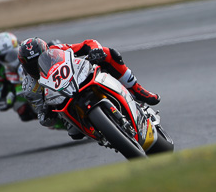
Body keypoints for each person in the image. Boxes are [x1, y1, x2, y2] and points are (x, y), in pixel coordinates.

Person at [17, 37, 160, 138]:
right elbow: (43, 117)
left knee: (109, 53)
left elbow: (88, 43)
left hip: (80, 80)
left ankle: (137, 89)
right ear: (24, 67)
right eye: (32, 65)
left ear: (47, 52)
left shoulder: (57, 50)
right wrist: (47, 113)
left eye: (41, 59)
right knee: (74, 132)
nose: (37, 66)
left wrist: (94, 51)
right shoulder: (30, 87)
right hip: (69, 110)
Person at [0, 32, 37, 121]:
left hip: (34, 72)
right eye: (5, 56)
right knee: (22, 111)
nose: (10, 57)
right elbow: (0, 96)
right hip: (19, 90)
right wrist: (8, 98)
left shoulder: (26, 46)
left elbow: (44, 48)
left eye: (13, 52)